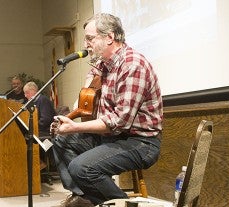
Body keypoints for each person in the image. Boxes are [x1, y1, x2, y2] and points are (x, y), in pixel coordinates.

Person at [50, 13, 163, 206]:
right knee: (61, 140)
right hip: (113, 136)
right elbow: (91, 84)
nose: (86, 44)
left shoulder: (132, 65)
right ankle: (83, 196)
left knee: (81, 167)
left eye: (90, 38)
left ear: (110, 37)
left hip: (140, 142)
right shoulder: (104, 65)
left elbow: (119, 121)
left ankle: (122, 204)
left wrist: (75, 127)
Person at [23, 81, 56, 171]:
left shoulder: (43, 100)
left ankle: (41, 164)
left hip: (46, 133)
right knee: (24, 138)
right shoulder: (34, 102)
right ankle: (40, 164)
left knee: (28, 140)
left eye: (26, 93)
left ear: (33, 91)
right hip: (40, 131)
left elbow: (46, 119)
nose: (25, 96)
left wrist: (33, 127)